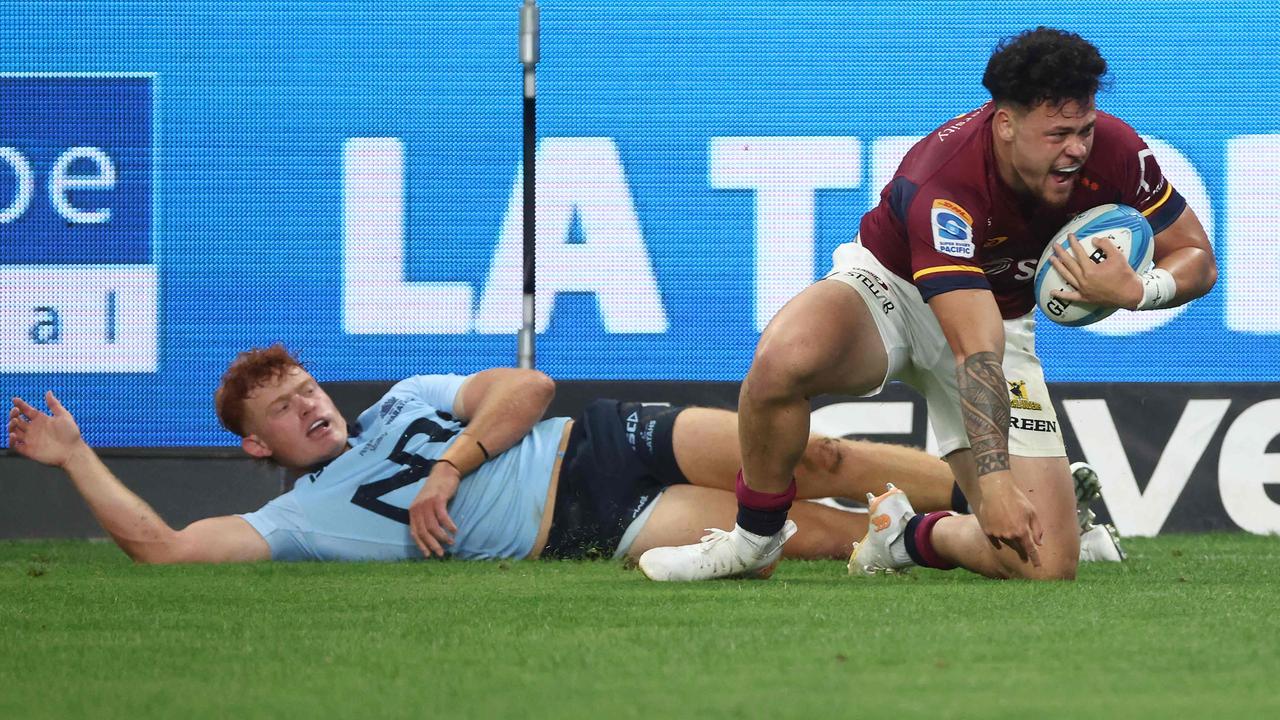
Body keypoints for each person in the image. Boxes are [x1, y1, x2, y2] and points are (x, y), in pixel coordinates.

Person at [639, 27, 1211, 581]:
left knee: (1045, 565)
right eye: (1057, 134)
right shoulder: (946, 181)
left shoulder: (1118, 152)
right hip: (891, 291)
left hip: (1000, 319)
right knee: (783, 359)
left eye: (1083, 129)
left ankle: (907, 537)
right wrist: (997, 484)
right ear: (1005, 123)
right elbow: (973, 349)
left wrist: (1141, 291)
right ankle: (754, 541)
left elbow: (1196, 256)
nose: (1076, 150)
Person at [7, 345, 1121, 565]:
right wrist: (72, 457)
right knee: (809, 538)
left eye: (305, 388)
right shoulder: (293, 522)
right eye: (285, 412)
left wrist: (449, 463)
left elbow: (527, 386)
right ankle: (1009, 545)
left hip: (596, 436)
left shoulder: (402, 397)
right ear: (257, 448)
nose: (309, 407)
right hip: (583, 526)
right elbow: (156, 545)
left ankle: (1049, 493)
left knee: (814, 455)